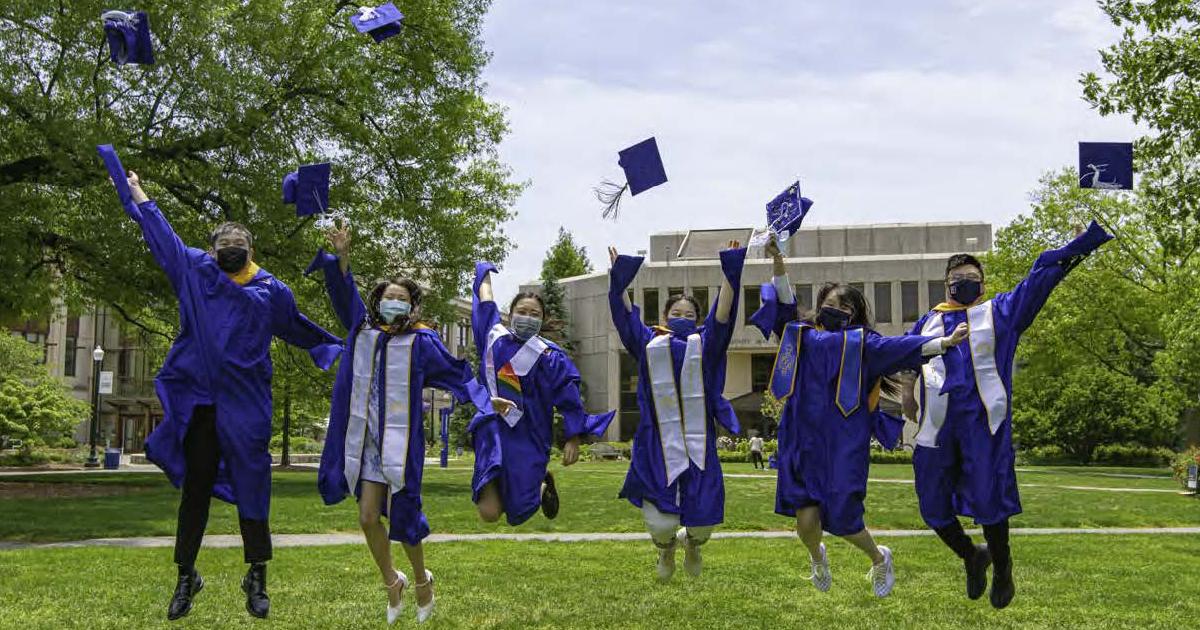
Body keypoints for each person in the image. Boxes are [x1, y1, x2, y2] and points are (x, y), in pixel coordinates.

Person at [118, 172, 342, 621]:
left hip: (248, 406)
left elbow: (295, 325)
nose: (231, 246)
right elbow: (160, 235)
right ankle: (186, 575)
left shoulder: (270, 290)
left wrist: (332, 346)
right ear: (212, 247)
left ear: (251, 249)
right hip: (202, 403)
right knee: (196, 489)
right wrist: (139, 190)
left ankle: (257, 575)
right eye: (223, 241)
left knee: (254, 486)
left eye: (239, 240)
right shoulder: (196, 273)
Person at [904, 222, 1113, 609]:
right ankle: (972, 555)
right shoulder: (928, 320)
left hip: (985, 425)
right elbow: (910, 357)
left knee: (989, 500)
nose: (963, 282)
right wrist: (906, 396)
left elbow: (1041, 277)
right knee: (931, 505)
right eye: (956, 278)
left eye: (970, 277)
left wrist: (1078, 242)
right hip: (938, 426)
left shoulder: (999, 313)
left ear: (982, 284)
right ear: (945, 284)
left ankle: (1002, 566)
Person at [750, 234, 968, 598]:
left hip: (843, 445)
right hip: (802, 441)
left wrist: (943, 343)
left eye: (844, 307)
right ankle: (817, 556)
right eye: (830, 304)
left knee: (844, 520)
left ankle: (879, 558)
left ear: (854, 315)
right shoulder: (799, 335)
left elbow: (903, 346)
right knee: (805, 522)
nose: (836, 310)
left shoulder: (865, 344)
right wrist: (778, 261)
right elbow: (785, 301)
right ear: (819, 308)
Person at [310, 223, 482, 624]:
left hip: (401, 446)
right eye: (388, 296)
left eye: (401, 299)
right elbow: (342, 293)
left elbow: (457, 374)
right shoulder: (363, 331)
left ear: (412, 306)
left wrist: (484, 398)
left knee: (403, 520)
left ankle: (422, 579)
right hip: (366, 441)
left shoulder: (421, 341)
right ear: (377, 301)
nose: (394, 302)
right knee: (368, 517)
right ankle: (393, 581)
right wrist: (343, 256)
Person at [607, 241, 746, 581]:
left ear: (698, 321)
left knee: (703, 522)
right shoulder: (649, 343)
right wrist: (619, 280)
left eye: (689, 315)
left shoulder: (706, 344)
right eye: (675, 314)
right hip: (656, 442)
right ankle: (666, 549)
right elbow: (626, 319)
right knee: (661, 521)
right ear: (663, 318)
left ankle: (693, 545)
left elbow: (723, 316)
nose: (682, 318)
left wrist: (731, 273)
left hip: (698, 443)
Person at [468, 263, 615, 524]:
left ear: (541, 320)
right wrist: (484, 273)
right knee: (489, 513)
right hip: (493, 429)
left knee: (522, 508)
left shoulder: (550, 356)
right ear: (511, 314)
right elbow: (485, 302)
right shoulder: (494, 337)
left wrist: (573, 438)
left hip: (530, 435)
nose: (527, 317)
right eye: (521, 311)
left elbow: (569, 399)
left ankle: (541, 485)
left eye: (534, 314)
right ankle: (538, 485)